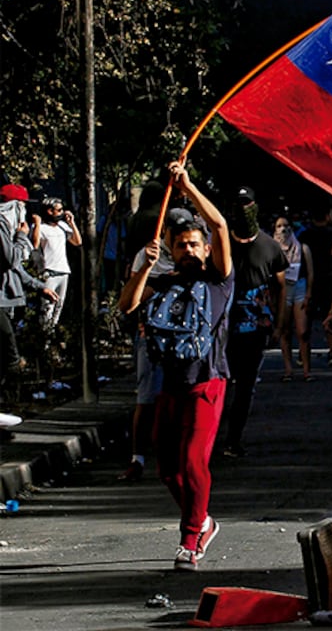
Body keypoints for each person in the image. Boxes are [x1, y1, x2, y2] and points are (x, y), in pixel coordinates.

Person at [117, 161, 232, 572]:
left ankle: (189, 542)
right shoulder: (162, 283)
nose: (187, 250)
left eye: (192, 244)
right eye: (179, 244)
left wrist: (188, 186)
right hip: (170, 385)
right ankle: (203, 520)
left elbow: (218, 225)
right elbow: (127, 306)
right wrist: (144, 268)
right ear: (170, 248)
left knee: (191, 461)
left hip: (207, 383)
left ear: (203, 249)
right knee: (168, 469)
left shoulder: (218, 279)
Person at [117, 206, 191, 482]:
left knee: (186, 398)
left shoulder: (194, 252)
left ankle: (184, 455)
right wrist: (155, 276)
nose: (182, 242)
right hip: (152, 336)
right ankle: (137, 457)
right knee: (147, 398)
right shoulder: (148, 255)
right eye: (176, 234)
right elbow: (130, 299)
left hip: (186, 339)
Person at [218, 186, 287, 458]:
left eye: (247, 204)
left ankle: (233, 439)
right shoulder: (221, 243)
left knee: (246, 386)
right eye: (238, 204)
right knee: (221, 384)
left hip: (256, 330)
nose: (242, 209)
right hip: (221, 329)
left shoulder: (270, 247)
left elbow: (281, 285)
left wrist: (279, 323)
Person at [1, 184, 58, 398]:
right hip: (1, 300)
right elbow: (13, 259)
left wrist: (39, 286)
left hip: (8, 299)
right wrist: (22, 236)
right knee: (10, 353)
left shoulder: (9, 229)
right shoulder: (3, 228)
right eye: (22, 206)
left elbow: (15, 269)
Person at [298, 203, 332, 368]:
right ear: (328, 216)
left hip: (311, 280)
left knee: (306, 318)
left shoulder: (304, 235)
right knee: (330, 316)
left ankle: (304, 354)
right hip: (331, 278)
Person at [272, 214, 314, 382]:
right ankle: (288, 369)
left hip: (299, 287)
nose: (284, 229)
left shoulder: (302, 248)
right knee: (285, 331)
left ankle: (306, 369)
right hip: (282, 291)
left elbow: (311, 272)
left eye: (286, 225)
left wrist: (309, 293)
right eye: (279, 226)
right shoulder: (274, 250)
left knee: (302, 331)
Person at [29, 196, 82, 328]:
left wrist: (72, 223)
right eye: (58, 210)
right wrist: (36, 225)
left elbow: (77, 241)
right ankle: (44, 336)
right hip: (48, 272)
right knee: (47, 308)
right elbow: (35, 244)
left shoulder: (63, 227)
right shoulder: (41, 227)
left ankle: (52, 333)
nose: (61, 213)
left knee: (59, 307)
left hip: (63, 271)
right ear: (49, 211)